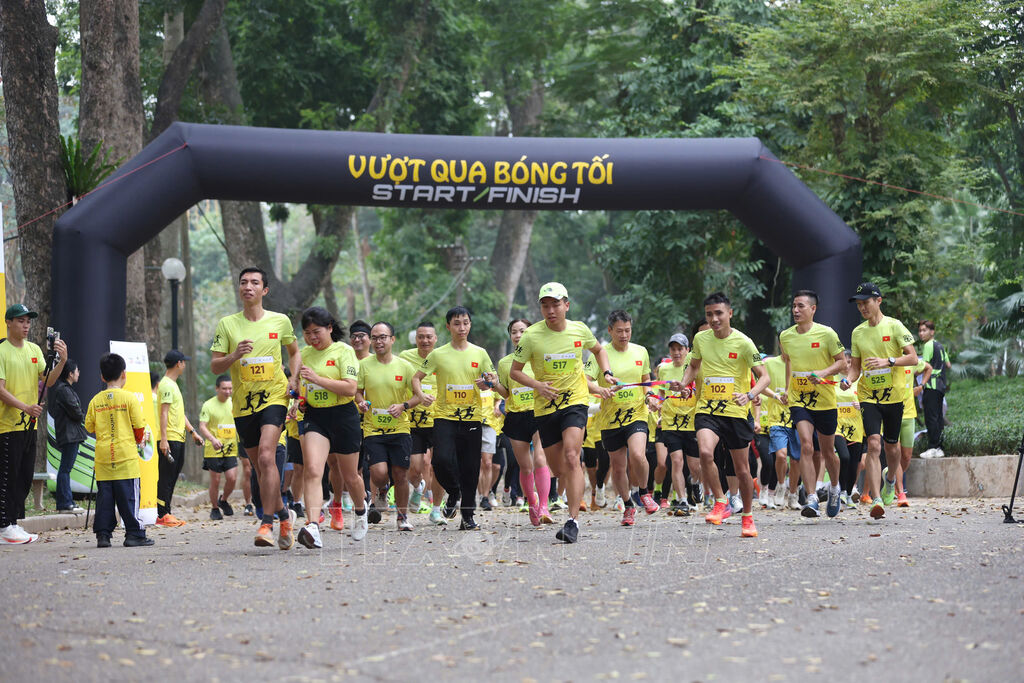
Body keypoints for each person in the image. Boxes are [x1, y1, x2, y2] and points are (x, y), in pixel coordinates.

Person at [510, 283, 617, 544]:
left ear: (566, 305)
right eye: (545, 305)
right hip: (546, 406)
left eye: (556, 304)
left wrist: (606, 373)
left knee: (572, 455)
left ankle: (572, 521)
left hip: (575, 402)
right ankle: (572, 485)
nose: (551, 310)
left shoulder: (580, 329)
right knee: (559, 469)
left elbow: (599, 350)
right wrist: (538, 385)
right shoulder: (531, 336)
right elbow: (515, 371)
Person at [211, 267, 301, 549]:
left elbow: (294, 352)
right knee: (261, 470)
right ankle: (285, 516)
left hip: (274, 397)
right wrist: (234, 355)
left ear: (265, 290)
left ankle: (267, 523)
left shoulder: (280, 321)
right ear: (239, 288)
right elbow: (215, 366)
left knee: (266, 456)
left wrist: (294, 380)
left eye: (254, 282)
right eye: (243, 282)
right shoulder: (227, 324)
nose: (248, 286)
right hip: (243, 405)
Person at [670, 292, 769, 538]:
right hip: (708, 408)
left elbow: (764, 377)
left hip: (735, 411)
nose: (714, 319)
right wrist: (684, 383)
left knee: (742, 470)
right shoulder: (700, 339)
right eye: (709, 314)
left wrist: (749, 394)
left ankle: (747, 516)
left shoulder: (744, 342)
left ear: (730, 313)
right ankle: (720, 500)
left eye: (718, 313)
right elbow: (694, 366)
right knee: (705, 452)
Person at [412, 306, 495, 531]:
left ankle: (468, 516)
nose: (462, 327)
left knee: (470, 467)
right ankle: (454, 491)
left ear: (470, 325)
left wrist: (488, 382)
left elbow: (492, 379)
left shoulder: (480, 353)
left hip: (472, 418)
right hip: (444, 417)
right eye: (457, 323)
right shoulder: (438, 354)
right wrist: (421, 396)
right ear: (448, 326)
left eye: (465, 323)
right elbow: (416, 378)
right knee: (440, 461)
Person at [844, 281, 918, 520]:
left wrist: (889, 361)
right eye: (859, 304)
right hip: (868, 396)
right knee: (874, 444)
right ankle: (876, 499)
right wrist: (848, 380)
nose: (862, 308)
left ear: (878, 301)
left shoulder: (895, 326)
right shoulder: (857, 332)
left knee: (892, 447)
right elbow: (855, 368)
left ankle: (891, 479)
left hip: (894, 397)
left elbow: (913, 358)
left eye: (866, 302)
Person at [293, 307, 363, 548]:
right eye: (307, 333)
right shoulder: (303, 354)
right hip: (315, 416)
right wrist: (299, 400)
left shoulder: (344, 351)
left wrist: (317, 379)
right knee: (313, 469)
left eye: (317, 332)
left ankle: (361, 511)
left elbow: (350, 388)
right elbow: (300, 387)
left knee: (350, 476)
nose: (312, 337)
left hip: (343, 415)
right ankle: (313, 526)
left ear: (330, 328)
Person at [585, 309, 659, 527]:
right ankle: (628, 505)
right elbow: (584, 381)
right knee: (618, 467)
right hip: (610, 418)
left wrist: (650, 397)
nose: (624, 335)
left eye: (627, 330)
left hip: (636, 413)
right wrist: (601, 390)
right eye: (619, 331)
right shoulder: (600, 354)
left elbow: (646, 381)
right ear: (610, 330)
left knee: (637, 454)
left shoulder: (640, 352)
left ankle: (644, 492)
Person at [0, 303, 66, 544]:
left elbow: (49, 380)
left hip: (30, 426)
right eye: (20, 321)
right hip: (7, 426)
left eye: (28, 321)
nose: (26, 325)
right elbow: (0, 389)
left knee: (24, 476)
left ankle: (12, 524)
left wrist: (62, 360)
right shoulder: (1, 350)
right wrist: (25, 407)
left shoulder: (34, 349)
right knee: (7, 477)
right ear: (8, 322)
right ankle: (4, 526)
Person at [778, 290, 847, 518]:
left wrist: (823, 372)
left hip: (825, 400)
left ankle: (834, 488)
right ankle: (812, 497)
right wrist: (788, 388)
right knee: (806, 446)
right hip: (799, 399)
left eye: (801, 306)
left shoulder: (827, 334)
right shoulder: (785, 336)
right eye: (794, 306)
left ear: (813, 309)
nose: (796, 310)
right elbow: (789, 363)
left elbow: (842, 362)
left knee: (828, 451)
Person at [356, 321, 421, 532]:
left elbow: (418, 396)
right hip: (373, 428)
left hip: (400, 428)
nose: (378, 341)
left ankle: (402, 518)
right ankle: (382, 488)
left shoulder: (405, 366)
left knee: (401, 474)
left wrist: (403, 406)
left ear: (392, 339)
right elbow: (357, 391)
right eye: (374, 338)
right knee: (379, 473)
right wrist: (361, 402)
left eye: (382, 337)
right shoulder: (365, 365)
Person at [84, 353, 153, 548]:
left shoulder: (95, 401)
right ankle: (134, 534)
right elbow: (139, 427)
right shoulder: (129, 398)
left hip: (103, 457)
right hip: (126, 457)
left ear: (102, 376)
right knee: (129, 497)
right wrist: (138, 440)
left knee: (105, 499)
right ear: (124, 374)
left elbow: (89, 426)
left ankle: (103, 536)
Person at [495, 318, 553, 525]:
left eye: (522, 331)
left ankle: (544, 506)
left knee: (540, 459)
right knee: (525, 466)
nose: (518, 335)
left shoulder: (540, 357)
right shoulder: (505, 363)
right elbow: (506, 393)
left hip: (539, 413)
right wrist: (494, 384)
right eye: (514, 332)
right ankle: (532, 504)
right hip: (516, 416)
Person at [399, 322, 445, 524]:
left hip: (440, 420)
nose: (425, 340)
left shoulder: (443, 357)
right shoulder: (405, 357)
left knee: (439, 465)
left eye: (429, 337)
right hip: (414, 422)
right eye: (421, 337)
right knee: (414, 468)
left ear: (435, 339)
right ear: (415, 338)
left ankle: (436, 509)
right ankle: (418, 488)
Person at [156, 350, 204, 527]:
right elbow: (164, 413)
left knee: (172, 477)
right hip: (170, 438)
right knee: (166, 478)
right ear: (179, 363)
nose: (185, 366)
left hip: (178, 437)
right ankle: (162, 515)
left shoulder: (173, 385)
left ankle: (167, 513)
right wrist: (164, 439)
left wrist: (193, 432)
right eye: (184, 362)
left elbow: (179, 414)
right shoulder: (167, 385)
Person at [656, 333, 699, 516]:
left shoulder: (695, 366)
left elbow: (700, 389)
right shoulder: (663, 369)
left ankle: (695, 484)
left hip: (692, 422)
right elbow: (660, 394)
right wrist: (656, 404)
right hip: (671, 422)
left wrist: (689, 392)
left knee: (695, 467)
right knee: (676, 460)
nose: (676, 352)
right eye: (673, 349)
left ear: (687, 350)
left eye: (680, 349)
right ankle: (681, 500)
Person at [197, 375, 238, 520]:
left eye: (230, 388)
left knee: (232, 478)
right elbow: (202, 426)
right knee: (215, 480)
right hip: (213, 448)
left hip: (231, 447)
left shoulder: (234, 403)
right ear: (217, 389)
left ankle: (223, 500)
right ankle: (214, 508)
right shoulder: (208, 405)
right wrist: (212, 439)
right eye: (224, 388)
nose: (228, 392)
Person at [49, 358, 87, 513]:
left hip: (70, 434)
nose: (78, 373)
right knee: (65, 469)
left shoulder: (65, 389)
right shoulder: (64, 390)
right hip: (69, 435)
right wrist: (81, 414)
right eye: (77, 371)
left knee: (65, 468)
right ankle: (65, 503)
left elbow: (76, 410)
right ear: (70, 374)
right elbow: (76, 412)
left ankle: (67, 501)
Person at [917, 320, 951, 458]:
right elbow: (948, 365)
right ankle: (939, 448)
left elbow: (925, 367)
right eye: (920, 331)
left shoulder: (928, 345)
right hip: (941, 386)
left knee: (931, 417)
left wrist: (914, 372)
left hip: (931, 385)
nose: (921, 333)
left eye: (924, 330)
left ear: (932, 332)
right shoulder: (940, 346)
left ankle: (932, 447)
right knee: (938, 417)